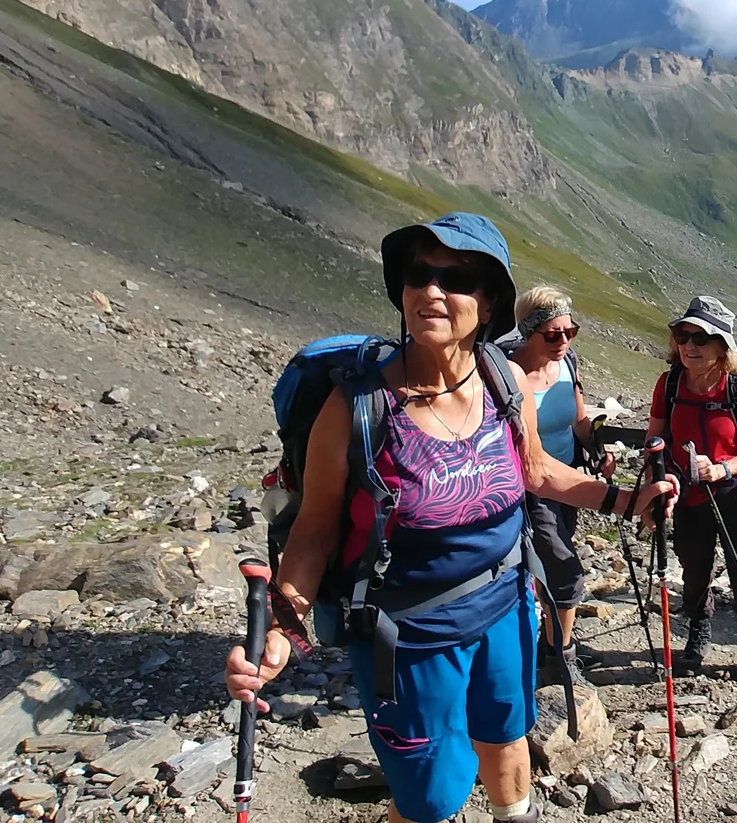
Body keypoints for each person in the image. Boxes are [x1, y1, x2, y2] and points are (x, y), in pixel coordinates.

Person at [224, 214, 674, 823]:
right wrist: (283, 627)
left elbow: (537, 471)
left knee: (508, 741)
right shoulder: (357, 406)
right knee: (431, 798)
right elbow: (316, 532)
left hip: (506, 605)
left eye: (457, 279)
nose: (431, 291)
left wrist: (625, 500)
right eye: (418, 274)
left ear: (489, 304)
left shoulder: (504, 381)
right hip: (409, 633)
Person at [646, 296, 737, 683]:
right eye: (683, 336)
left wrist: (721, 469)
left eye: (700, 338)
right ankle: (698, 632)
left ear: (722, 347)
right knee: (694, 565)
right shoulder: (669, 384)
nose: (689, 346)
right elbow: (654, 440)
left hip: (733, 490)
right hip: (687, 491)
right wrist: (654, 486)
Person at [508, 286, 610, 687]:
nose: (564, 340)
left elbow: (579, 420)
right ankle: (560, 661)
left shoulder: (567, 363)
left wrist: (597, 450)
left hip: (568, 479)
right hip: (531, 487)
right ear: (528, 331)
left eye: (571, 331)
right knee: (564, 570)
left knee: (551, 567)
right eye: (553, 334)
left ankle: (551, 641)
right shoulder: (508, 374)